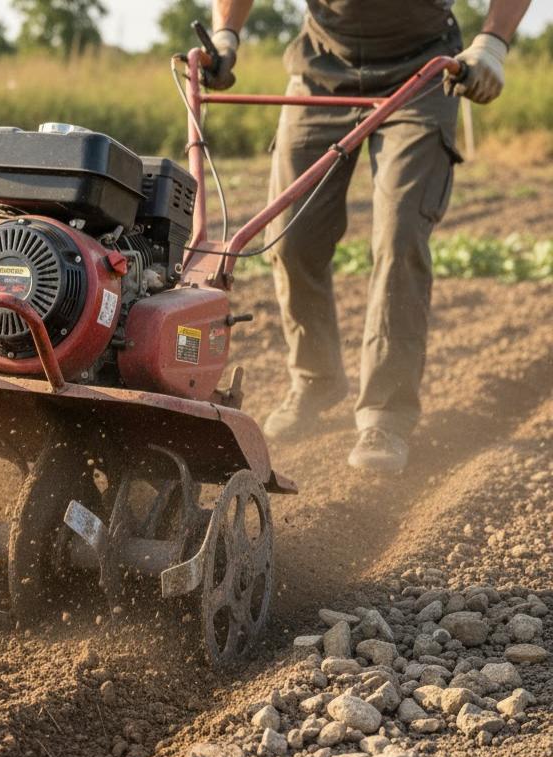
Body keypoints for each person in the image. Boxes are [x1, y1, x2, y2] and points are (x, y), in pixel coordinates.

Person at [205, 0, 532, 473]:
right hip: (321, 67)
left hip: (423, 73)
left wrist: (494, 42)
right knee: (291, 237)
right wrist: (225, 37)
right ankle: (316, 379)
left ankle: (386, 412)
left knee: (399, 237)